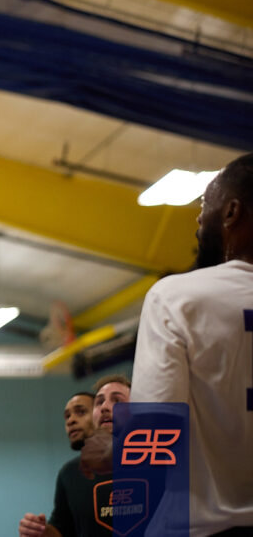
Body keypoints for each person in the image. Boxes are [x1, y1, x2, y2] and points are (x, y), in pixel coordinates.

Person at [130, 152, 253, 536]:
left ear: (231, 212)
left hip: (203, 526)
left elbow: (153, 424)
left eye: (204, 205)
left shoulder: (176, 297)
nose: (199, 219)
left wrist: (113, 450)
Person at [18, 375, 130, 537]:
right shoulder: (69, 473)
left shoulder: (156, 462)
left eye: (81, 412)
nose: (70, 421)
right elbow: (62, 530)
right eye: (67, 416)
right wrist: (40, 531)